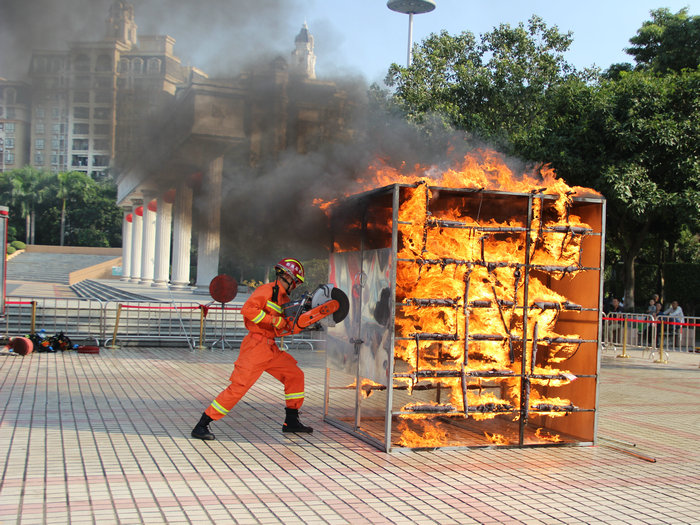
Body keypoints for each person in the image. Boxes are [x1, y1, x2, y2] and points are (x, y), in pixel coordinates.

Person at [191, 257, 313, 440]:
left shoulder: (285, 299)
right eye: (295, 281)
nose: (295, 285)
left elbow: (284, 327)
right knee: (238, 388)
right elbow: (248, 310)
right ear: (287, 277)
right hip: (255, 347)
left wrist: (305, 323)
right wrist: (274, 320)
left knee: (295, 375)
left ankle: (292, 421)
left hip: (271, 348)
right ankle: (202, 424)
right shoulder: (266, 290)